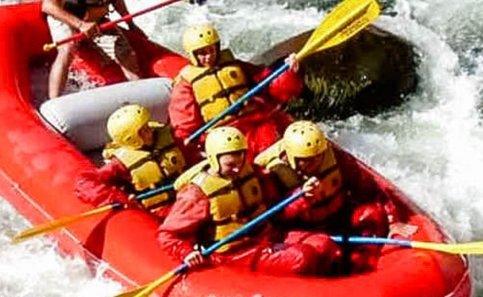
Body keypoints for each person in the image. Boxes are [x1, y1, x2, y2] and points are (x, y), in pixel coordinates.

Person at [157, 126, 341, 275]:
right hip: (236, 253)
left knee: (325, 245)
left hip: (268, 237)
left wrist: (302, 196)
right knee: (301, 257)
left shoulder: (253, 173)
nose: (238, 169)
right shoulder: (196, 194)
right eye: (231, 165)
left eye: (241, 161)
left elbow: (276, 209)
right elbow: (168, 235)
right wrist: (186, 253)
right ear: (214, 160)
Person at [254, 121, 400, 270]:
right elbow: (273, 215)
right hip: (299, 227)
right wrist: (301, 197)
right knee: (323, 247)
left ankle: (365, 263)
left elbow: (369, 189)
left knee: (372, 214)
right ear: (292, 158)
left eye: (319, 156)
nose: (317, 162)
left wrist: (393, 220)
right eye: (308, 160)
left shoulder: (336, 158)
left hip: (336, 217)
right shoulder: (272, 171)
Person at [169, 23, 303, 162]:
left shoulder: (236, 66)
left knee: (290, 142)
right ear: (192, 55)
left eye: (211, 50)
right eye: (202, 53)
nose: (208, 57)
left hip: (258, 121)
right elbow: (184, 125)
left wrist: (289, 73)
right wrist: (193, 146)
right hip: (226, 135)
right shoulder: (185, 85)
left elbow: (270, 86)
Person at [75, 104, 186, 217]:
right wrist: (118, 198)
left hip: (186, 195)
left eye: (147, 125)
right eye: (144, 130)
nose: (151, 130)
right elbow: (85, 182)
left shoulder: (168, 136)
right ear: (132, 138)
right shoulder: (120, 163)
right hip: (159, 211)